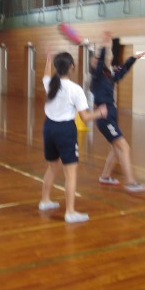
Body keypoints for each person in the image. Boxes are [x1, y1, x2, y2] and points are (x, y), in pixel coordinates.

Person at [39, 50, 108, 223]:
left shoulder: (51, 83)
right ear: (72, 67)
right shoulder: (75, 89)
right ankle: (70, 212)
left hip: (48, 128)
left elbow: (45, 75)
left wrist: (48, 61)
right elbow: (85, 117)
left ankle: (45, 200)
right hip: (65, 130)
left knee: (52, 168)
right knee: (70, 173)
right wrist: (99, 113)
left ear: (57, 67)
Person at [91, 32, 145, 193]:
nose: (96, 61)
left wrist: (133, 58)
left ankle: (105, 176)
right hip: (104, 117)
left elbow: (121, 72)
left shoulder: (108, 76)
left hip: (111, 114)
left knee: (115, 148)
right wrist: (103, 45)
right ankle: (131, 182)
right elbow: (101, 60)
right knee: (124, 147)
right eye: (95, 60)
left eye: (97, 59)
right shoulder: (96, 78)